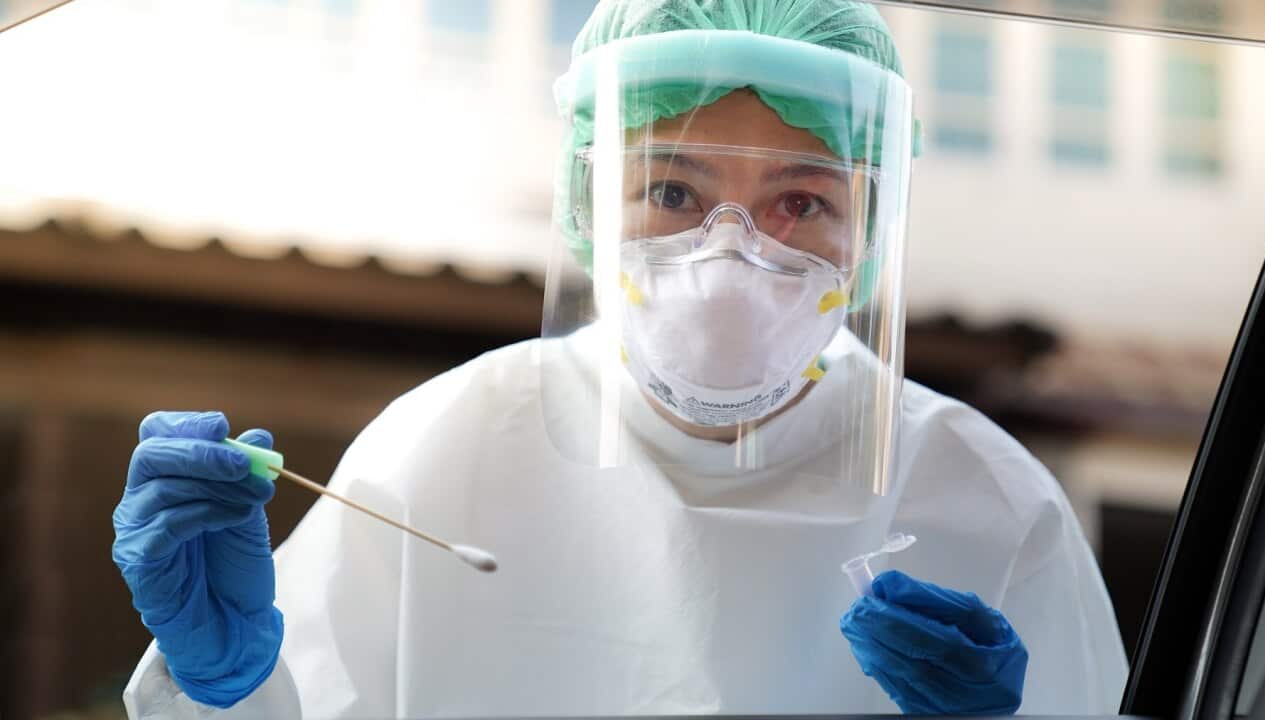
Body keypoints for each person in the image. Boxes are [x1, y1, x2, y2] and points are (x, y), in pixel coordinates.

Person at [112, 2, 1128, 717]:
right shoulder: (447, 446)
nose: (731, 255)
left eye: (799, 202)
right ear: (585, 207)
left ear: (871, 233)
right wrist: (225, 691)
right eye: (673, 194)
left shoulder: (987, 498)